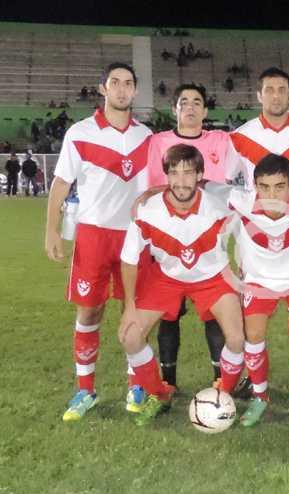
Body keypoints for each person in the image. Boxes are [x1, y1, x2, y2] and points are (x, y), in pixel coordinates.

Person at [45, 62, 153, 421]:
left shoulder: (147, 137)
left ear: (135, 90)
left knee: (132, 312)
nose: (122, 89)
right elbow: (61, 183)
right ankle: (85, 390)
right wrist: (51, 230)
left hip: (134, 237)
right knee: (89, 311)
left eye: (128, 83)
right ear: (103, 88)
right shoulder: (80, 132)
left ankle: (135, 387)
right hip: (93, 234)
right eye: (115, 83)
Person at [118, 144, 245, 426]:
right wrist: (129, 306)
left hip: (213, 277)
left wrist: (241, 275)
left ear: (200, 175)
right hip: (166, 278)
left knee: (237, 339)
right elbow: (128, 260)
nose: (181, 181)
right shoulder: (148, 211)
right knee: (129, 336)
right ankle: (159, 394)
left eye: (188, 173)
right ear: (166, 176)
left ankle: (223, 395)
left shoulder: (219, 208)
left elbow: (245, 240)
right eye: (174, 173)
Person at [208, 153, 289, 427]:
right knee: (254, 336)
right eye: (264, 187)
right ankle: (260, 397)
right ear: (254, 186)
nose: (271, 195)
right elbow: (202, 186)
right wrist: (152, 191)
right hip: (259, 280)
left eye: (279, 187)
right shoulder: (240, 201)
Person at [144, 83, 244, 393]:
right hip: (169, 239)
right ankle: (168, 382)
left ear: (205, 110)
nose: (190, 107)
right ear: (174, 109)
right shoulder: (158, 142)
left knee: (214, 313)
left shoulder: (222, 141)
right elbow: (152, 188)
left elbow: (238, 176)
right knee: (169, 314)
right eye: (184, 102)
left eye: (196, 102)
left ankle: (221, 380)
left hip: (209, 240)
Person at [230, 67, 289, 190]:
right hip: (256, 203)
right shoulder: (239, 136)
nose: (276, 96)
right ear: (259, 96)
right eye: (269, 90)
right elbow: (227, 179)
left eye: (282, 90)